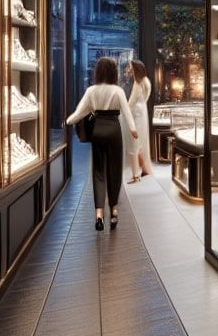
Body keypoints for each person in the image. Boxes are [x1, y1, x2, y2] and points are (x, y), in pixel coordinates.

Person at [66, 56, 136, 230]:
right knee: (114, 171)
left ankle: (98, 214)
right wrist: (133, 130)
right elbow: (127, 113)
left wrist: (68, 121)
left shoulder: (91, 90)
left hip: (97, 131)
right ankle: (113, 211)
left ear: (98, 72)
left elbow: (79, 113)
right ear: (113, 72)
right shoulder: (118, 90)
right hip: (113, 130)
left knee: (98, 172)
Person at [127, 58, 154, 182]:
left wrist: (125, 111)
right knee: (143, 140)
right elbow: (146, 98)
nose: (129, 69)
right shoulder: (146, 81)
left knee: (135, 142)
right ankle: (144, 168)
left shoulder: (137, 83)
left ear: (135, 69)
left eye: (131, 68)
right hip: (143, 111)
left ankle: (137, 173)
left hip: (136, 113)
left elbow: (131, 102)